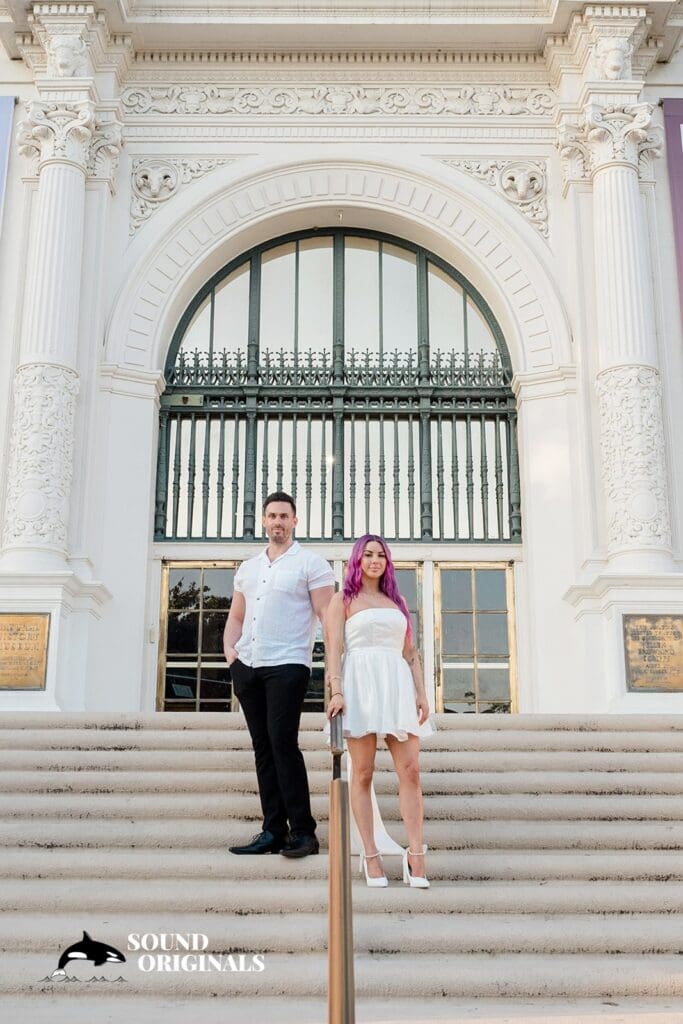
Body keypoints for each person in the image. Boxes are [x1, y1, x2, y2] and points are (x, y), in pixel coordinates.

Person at [224, 491, 335, 858]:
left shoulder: (311, 564)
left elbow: (328, 616)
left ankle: (303, 832)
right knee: (263, 748)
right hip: (248, 665)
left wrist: (334, 668)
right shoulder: (248, 568)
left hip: (287, 664)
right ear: (264, 520)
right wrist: (230, 653)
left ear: (294, 521)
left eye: (284, 516)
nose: (277, 521)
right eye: (272, 515)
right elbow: (237, 616)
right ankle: (273, 830)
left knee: (282, 743)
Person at [325, 534, 434, 888]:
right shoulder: (343, 599)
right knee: (363, 773)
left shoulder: (397, 601)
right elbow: (334, 649)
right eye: (368, 554)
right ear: (357, 560)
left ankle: (416, 855)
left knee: (411, 771)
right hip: (359, 684)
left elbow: (410, 653)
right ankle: (370, 855)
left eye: (381, 555)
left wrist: (421, 693)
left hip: (397, 685)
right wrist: (336, 691)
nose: (375, 560)